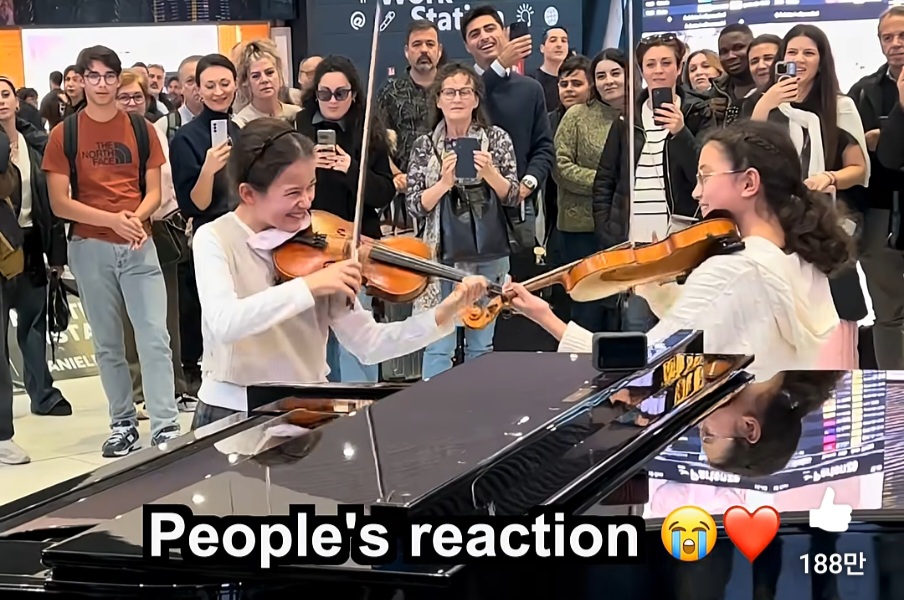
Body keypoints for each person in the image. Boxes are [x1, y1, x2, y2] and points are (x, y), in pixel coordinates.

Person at [190, 118, 489, 428]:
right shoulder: (215, 238)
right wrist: (310, 286)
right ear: (249, 194)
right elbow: (226, 323)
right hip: (232, 412)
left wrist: (443, 315)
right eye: (292, 193)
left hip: (303, 411)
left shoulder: (321, 247)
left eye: (311, 186)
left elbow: (370, 344)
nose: (306, 202)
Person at [507, 120, 852, 380]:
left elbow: (644, 361)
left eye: (705, 176)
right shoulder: (804, 257)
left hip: (731, 424)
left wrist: (547, 318)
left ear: (748, 182)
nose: (696, 193)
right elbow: (728, 322)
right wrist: (662, 297)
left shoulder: (731, 269)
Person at [43, 46, 180, 456]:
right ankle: (123, 423)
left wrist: (134, 218)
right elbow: (60, 203)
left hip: (139, 243)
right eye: (93, 76)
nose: (101, 84)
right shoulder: (64, 134)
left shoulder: (141, 129)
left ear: (119, 80)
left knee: (154, 337)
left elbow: (154, 191)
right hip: (89, 246)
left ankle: (166, 424)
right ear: (81, 80)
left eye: (108, 76)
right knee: (108, 343)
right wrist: (111, 220)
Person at [0, 76, 70, 419]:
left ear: (17, 101)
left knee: (35, 323)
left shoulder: (37, 144)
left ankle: (43, 394)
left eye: (5, 94)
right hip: (1, 245)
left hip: (31, 242)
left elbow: (52, 205)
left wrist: (56, 257)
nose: (0, 101)